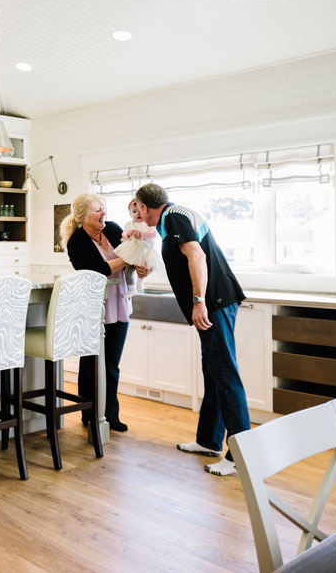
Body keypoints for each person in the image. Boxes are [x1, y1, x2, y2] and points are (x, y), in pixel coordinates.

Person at [133, 182, 249, 476]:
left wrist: (199, 301)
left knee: (224, 372)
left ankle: (241, 456)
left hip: (214, 303)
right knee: (213, 371)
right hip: (219, 301)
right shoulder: (175, 217)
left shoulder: (172, 217)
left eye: (138, 208)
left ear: (146, 206)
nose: (137, 214)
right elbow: (180, 258)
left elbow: (197, 256)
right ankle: (208, 441)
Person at [60, 193, 133, 432]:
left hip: (119, 303)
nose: (104, 213)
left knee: (112, 363)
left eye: (104, 208)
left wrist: (136, 261)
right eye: (97, 210)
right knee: (91, 362)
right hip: (92, 307)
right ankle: (89, 413)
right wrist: (127, 258)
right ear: (82, 217)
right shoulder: (76, 241)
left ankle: (111, 414)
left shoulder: (112, 229)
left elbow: (133, 255)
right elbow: (98, 270)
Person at [114, 199, 159, 270]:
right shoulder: (129, 224)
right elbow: (123, 234)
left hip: (145, 250)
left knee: (144, 269)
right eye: (134, 211)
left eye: (140, 211)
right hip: (131, 250)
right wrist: (128, 234)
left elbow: (153, 234)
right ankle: (129, 280)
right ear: (130, 214)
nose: (138, 213)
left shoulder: (148, 223)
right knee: (128, 268)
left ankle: (140, 280)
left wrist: (142, 235)